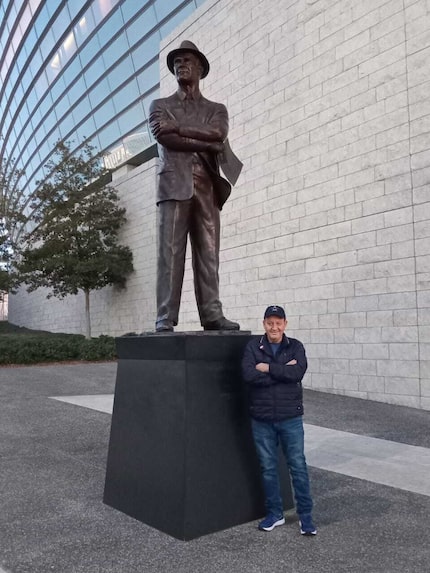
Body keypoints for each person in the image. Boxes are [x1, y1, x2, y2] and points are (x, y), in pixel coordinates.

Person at [149, 40, 241, 333]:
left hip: (207, 188)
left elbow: (219, 133)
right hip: (174, 185)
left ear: (200, 68)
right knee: (170, 253)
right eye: (177, 62)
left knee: (209, 253)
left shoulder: (217, 109)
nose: (181, 65)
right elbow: (166, 138)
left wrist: (182, 129)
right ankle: (165, 316)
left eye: (187, 60)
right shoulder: (160, 106)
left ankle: (212, 314)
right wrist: (206, 142)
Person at [241, 305, 317, 535]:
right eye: (270, 322)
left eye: (278, 322)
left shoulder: (295, 346)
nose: (274, 327)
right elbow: (249, 375)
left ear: (285, 324)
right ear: (264, 323)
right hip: (262, 419)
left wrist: (267, 368)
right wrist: (282, 371)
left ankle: (306, 517)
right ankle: (275, 514)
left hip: (290, 418)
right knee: (268, 468)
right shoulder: (254, 346)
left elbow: (298, 373)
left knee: (298, 467)